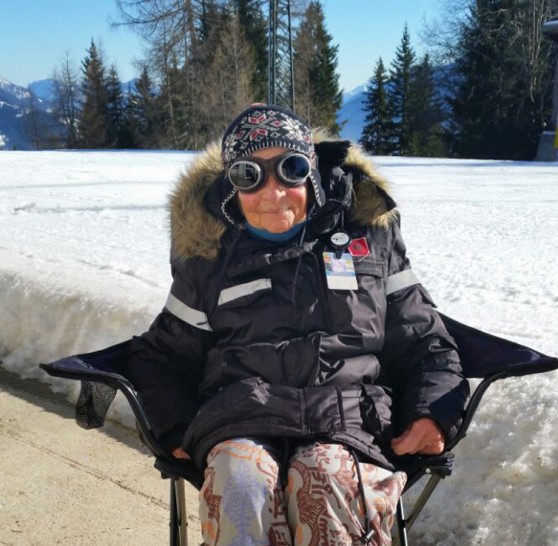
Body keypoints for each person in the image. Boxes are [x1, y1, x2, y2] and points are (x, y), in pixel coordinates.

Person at [123, 104, 469, 545]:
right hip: (243, 417)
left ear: (311, 172)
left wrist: (432, 413)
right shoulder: (210, 258)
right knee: (241, 482)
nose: (273, 192)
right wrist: (174, 429)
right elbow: (161, 354)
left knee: (325, 478)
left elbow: (426, 341)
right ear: (232, 186)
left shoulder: (369, 240)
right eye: (249, 175)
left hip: (351, 421)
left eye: (290, 169)